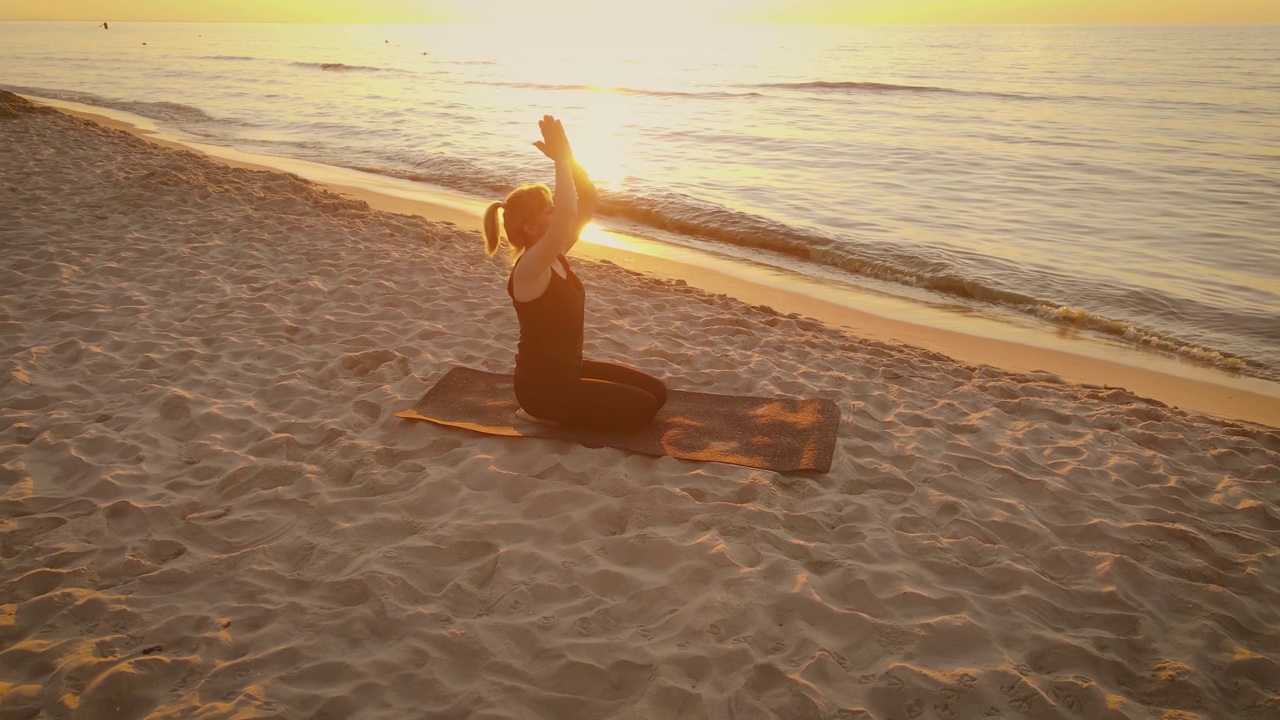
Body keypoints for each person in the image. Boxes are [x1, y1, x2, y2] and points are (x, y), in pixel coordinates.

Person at [482, 115, 667, 432]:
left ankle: (566, 406)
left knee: (658, 393)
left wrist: (567, 159)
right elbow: (569, 212)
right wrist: (562, 159)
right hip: (543, 391)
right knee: (643, 408)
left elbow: (589, 199)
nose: (559, 213)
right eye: (549, 210)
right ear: (530, 227)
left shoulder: (556, 254)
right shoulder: (529, 269)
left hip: (570, 369)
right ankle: (540, 414)